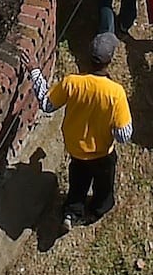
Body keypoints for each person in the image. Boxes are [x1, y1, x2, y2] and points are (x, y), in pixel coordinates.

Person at [40, 35, 134, 226]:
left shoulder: (71, 83)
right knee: (104, 186)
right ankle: (97, 209)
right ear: (110, 61)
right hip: (101, 154)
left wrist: (35, 73)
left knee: (78, 181)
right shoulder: (115, 93)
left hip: (76, 150)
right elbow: (124, 135)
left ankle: (72, 212)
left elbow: (46, 104)